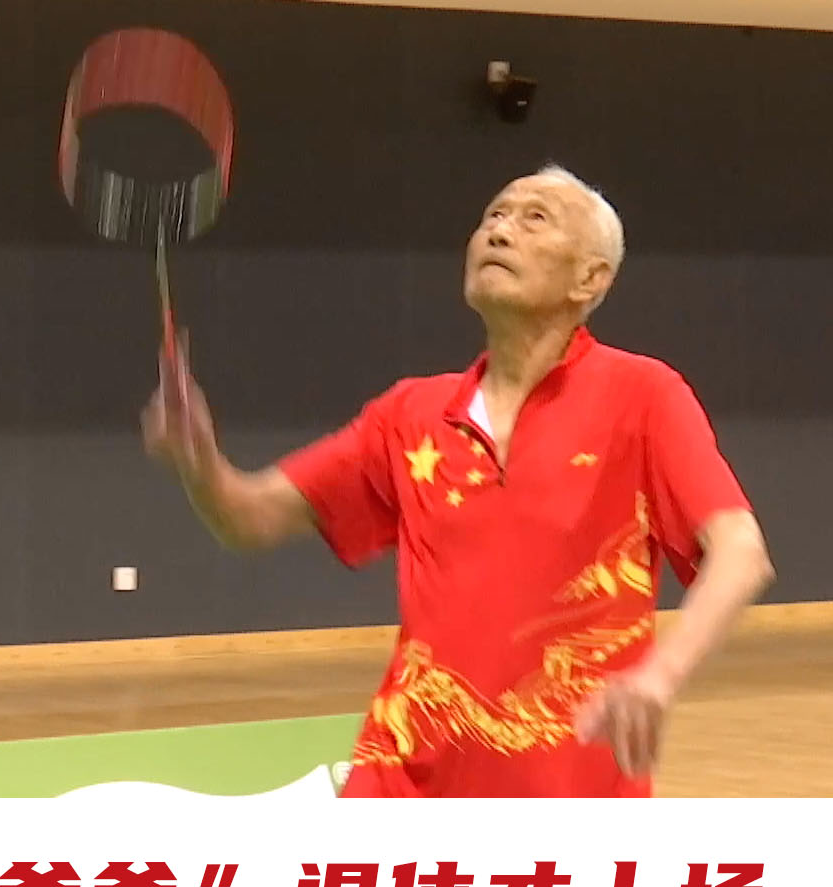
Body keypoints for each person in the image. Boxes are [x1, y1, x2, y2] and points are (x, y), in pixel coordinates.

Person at [142, 165, 774, 797]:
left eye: (535, 218)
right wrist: (200, 462)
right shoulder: (409, 413)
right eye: (494, 215)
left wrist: (660, 676)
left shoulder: (642, 396)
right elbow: (249, 518)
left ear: (591, 278)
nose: (500, 231)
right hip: (400, 777)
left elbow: (741, 554)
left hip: (569, 790)